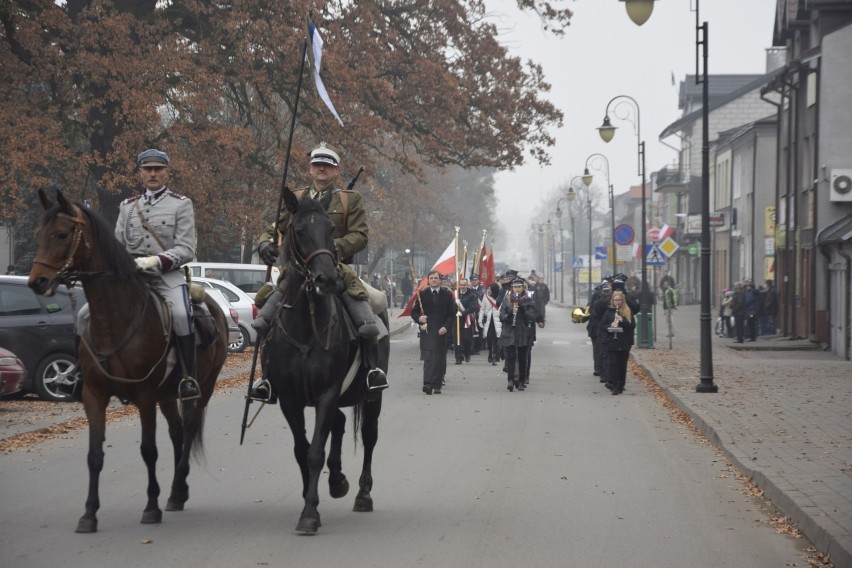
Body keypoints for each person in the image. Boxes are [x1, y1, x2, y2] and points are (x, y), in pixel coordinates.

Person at [250, 142, 388, 399]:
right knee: (264, 319)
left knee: (374, 307)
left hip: (336, 267)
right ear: (310, 169)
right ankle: (266, 378)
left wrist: (328, 247)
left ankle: (371, 370)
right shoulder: (296, 198)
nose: (321, 168)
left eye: (327, 165)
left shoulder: (350, 199)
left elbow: (360, 235)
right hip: (297, 270)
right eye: (317, 164)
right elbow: (275, 229)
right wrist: (263, 244)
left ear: (336, 171)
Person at [60, 148, 199, 400]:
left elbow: (187, 249)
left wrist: (155, 260)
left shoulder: (181, 204)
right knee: (83, 315)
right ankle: (79, 373)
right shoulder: (128, 206)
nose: (153, 173)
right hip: (129, 277)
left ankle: (188, 378)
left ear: (167, 172)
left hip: (166, 276)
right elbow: (117, 245)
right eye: (148, 169)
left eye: (158, 169)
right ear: (140, 173)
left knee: (180, 314)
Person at [411, 270, 456, 395]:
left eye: (436, 278)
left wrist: (446, 327)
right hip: (428, 332)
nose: (434, 280)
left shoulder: (447, 295)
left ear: (440, 280)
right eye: (431, 278)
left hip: (441, 332)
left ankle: (437, 384)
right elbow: (413, 312)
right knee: (429, 359)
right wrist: (419, 319)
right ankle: (427, 383)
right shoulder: (422, 295)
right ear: (428, 280)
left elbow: (452, 314)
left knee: (439, 359)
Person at [498, 278, 537, 392]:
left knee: (522, 357)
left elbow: (532, 316)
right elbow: (501, 316)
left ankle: (521, 381)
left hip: (522, 331)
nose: (517, 289)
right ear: (512, 288)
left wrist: (524, 309)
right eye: (515, 287)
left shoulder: (527, 299)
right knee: (510, 357)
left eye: (519, 287)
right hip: (509, 331)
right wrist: (510, 313)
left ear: (523, 288)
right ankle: (510, 380)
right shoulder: (506, 300)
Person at [599, 290, 635, 395]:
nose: (617, 302)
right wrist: (610, 326)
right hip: (612, 342)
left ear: (622, 300)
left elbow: (632, 326)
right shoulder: (609, 311)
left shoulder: (628, 311)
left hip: (624, 342)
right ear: (612, 301)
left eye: (619, 300)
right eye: (615, 300)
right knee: (613, 364)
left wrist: (622, 320)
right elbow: (602, 326)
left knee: (622, 365)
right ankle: (614, 385)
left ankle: (621, 385)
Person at [452, 278, 479, 364]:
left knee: (467, 339)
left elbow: (473, 307)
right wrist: (455, 304)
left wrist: (463, 312)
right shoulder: (456, 295)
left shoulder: (472, 295)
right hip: (456, 320)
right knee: (457, 340)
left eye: (464, 285)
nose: (462, 286)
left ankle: (467, 354)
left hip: (466, 320)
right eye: (461, 285)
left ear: (467, 285)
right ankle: (458, 358)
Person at [479, 282, 502, 365]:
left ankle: (494, 356)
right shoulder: (485, 297)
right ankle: (490, 352)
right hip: (488, 321)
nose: (488, 291)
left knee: (496, 339)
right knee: (488, 339)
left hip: (497, 321)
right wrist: (480, 319)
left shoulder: (500, 298)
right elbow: (482, 308)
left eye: (490, 289)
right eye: (488, 289)